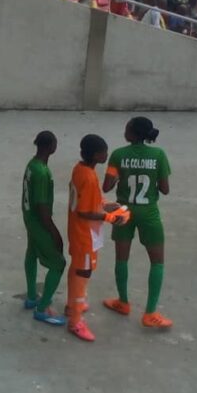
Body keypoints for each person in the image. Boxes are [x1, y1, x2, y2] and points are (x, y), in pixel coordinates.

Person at [102, 117, 173, 328]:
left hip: (124, 212)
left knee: (122, 258)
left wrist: (119, 177)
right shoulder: (159, 155)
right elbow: (165, 189)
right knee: (157, 261)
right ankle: (150, 312)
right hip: (149, 213)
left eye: (127, 128)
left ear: (132, 133)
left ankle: (123, 302)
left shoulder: (118, 155)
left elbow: (106, 187)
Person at [66, 135, 126, 342]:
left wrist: (106, 204)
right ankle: (75, 320)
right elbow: (85, 212)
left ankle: (73, 304)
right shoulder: (90, 177)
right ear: (94, 154)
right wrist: (110, 217)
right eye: (103, 152)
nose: (106, 155)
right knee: (83, 271)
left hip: (79, 232)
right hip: (85, 234)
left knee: (78, 268)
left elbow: (89, 200)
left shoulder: (81, 169)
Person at [22, 131, 67, 326]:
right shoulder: (41, 172)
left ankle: (32, 296)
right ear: (51, 146)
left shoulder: (32, 165)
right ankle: (42, 309)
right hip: (39, 221)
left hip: (28, 217)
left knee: (32, 253)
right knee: (58, 263)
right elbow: (42, 208)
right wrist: (54, 232)